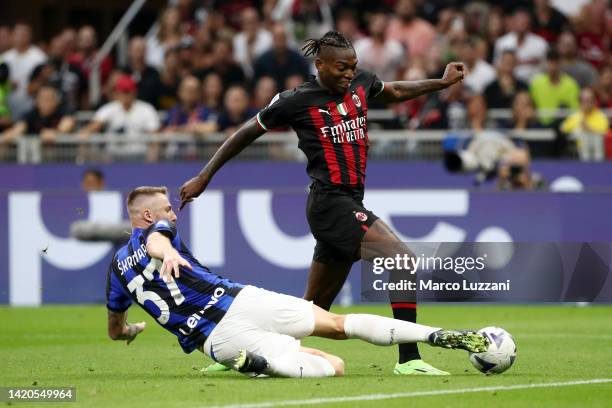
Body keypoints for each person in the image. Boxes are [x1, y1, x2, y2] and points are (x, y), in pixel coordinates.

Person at [180, 31, 467, 375]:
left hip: (348, 201)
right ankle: (409, 359)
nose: (349, 73)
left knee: (312, 309)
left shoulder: (361, 83)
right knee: (401, 259)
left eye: (353, 67)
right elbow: (245, 132)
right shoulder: (296, 100)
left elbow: (393, 91)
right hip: (330, 204)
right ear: (320, 65)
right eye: (341, 67)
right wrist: (205, 175)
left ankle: (246, 354)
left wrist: (441, 82)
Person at [107, 186, 489, 378]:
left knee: (332, 365)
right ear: (146, 214)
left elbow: (115, 329)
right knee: (338, 331)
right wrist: (167, 251)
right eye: (168, 209)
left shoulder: (117, 272)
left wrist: (130, 329)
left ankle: (265, 365)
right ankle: (432, 335)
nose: (173, 215)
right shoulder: (155, 234)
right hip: (240, 300)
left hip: (216, 340)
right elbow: (156, 240)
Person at [561, 87, 609, 161]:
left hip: (598, 153)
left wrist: (589, 128)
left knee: (595, 136)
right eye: (585, 101)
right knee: (580, 132)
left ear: (594, 102)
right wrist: (581, 123)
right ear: (580, 102)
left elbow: (604, 130)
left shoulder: (601, 116)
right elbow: (563, 128)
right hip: (578, 152)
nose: (587, 103)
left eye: (590, 100)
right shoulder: (575, 116)